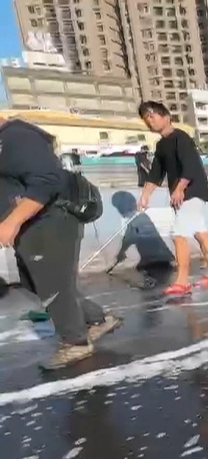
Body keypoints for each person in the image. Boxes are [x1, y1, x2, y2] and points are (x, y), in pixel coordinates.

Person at [0, 117, 121, 369]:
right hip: (32, 225)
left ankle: (76, 343)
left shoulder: (15, 136)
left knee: (52, 286)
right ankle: (97, 320)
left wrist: (11, 221)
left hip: (49, 220)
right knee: (34, 283)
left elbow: (46, 179)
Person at [137, 101, 208, 295]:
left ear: (166, 116)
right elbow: (156, 174)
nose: (149, 121)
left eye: (152, 116)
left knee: (179, 233)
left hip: (192, 191)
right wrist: (145, 195)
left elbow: (191, 166)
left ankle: (182, 281)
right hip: (181, 193)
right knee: (200, 232)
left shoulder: (181, 138)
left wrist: (179, 189)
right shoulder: (161, 145)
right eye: (146, 119)